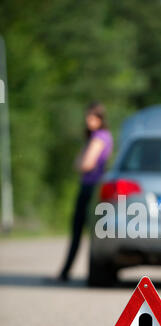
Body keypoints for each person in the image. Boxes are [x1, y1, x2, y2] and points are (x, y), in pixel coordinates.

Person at [58, 102, 113, 281]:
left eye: (92, 117)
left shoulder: (98, 138)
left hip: (90, 188)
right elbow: (79, 163)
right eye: (87, 117)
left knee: (79, 230)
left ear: (100, 118)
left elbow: (85, 163)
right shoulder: (102, 136)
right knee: (94, 232)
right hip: (96, 188)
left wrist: (82, 161)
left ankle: (66, 272)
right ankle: (69, 271)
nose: (88, 121)